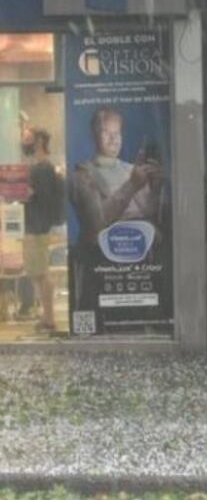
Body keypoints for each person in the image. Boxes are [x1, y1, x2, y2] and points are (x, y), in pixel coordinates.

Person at [70, 108, 163, 246]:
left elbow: (148, 211)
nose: (114, 139)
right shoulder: (82, 175)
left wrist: (156, 186)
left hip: (142, 247)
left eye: (117, 133)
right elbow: (98, 223)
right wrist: (131, 185)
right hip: (106, 253)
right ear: (93, 135)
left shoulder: (131, 170)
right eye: (106, 132)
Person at [21, 128, 64, 334]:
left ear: (38, 141)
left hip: (37, 227)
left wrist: (18, 190)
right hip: (36, 226)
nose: (24, 142)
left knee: (41, 273)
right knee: (37, 273)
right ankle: (47, 317)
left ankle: (49, 319)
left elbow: (34, 197)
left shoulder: (42, 169)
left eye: (28, 139)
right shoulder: (42, 167)